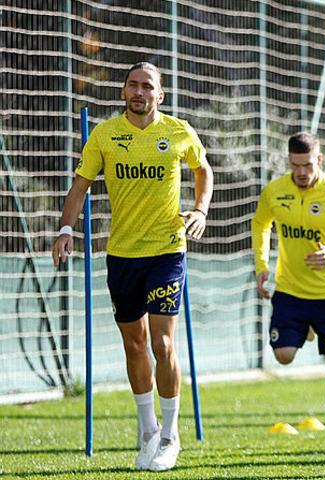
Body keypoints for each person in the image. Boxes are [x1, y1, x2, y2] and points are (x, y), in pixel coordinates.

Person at [52, 62, 213, 472]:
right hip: (122, 254)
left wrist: (199, 209)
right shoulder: (104, 135)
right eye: (133, 86)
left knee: (162, 345)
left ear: (161, 95)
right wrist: (65, 229)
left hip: (167, 250)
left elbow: (202, 170)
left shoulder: (178, 132)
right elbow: (80, 186)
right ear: (124, 92)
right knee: (134, 344)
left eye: (148, 86)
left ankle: (171, 436)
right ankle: (147, 430)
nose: (139, 92)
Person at [252, 132, 325, 448]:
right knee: (284, 356)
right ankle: (304, 330)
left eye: (307, 165)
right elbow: (261, 224)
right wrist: (261, 265)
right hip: (289, 289)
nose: (301, 172)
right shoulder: (276, 191)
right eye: (295, 165)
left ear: (319, 159)